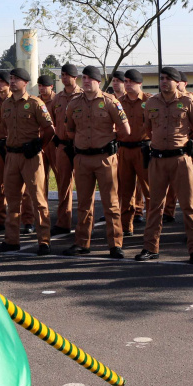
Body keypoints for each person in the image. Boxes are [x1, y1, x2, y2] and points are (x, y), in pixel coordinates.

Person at [136, 68, 193, 263]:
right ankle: (150, 248)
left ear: (176, 82)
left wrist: (184, 144)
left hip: (180, 160)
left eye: (168, 79)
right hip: (157, 159)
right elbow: (147, 129)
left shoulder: (188, 101)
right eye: (162, 78)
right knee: (155, 206)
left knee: (188, 206)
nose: (163, 81)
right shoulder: (151, 103)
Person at [63, 66, 130, 258]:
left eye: (90, 78)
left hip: (105, 159)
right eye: (83, 78)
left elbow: (126, 130)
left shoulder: (110, 102)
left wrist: (108, 140)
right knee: (84, 204)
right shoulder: (74, 103)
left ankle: (115, 245)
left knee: (111, 203)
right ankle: (82, 243)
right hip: (82, 158)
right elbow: (70, 131)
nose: (85, 81)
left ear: (98, 82)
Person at [0, 69, 55, 255]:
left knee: (38, 200)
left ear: (25, 83)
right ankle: (11, 240)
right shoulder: (6, 104)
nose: (12, 82)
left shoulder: (35, 103)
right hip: (12, 156)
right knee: (12, 200)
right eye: (11, 79)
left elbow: (50, 129)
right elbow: (3, 130)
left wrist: (39, 146)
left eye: (16, 79)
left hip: (31, 157)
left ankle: (44, 241)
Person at [0, 71, 35, 233]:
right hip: (0, 147)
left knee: (25, 188)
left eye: (2, 81)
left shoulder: (20, 101)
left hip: (17, 148)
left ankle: (28, 220)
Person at [117, 69, 151, 235]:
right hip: (124, 149)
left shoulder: (150, 101)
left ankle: (152, 227)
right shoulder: (118, 102)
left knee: (149, 191)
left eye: (131, 82)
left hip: (143, 149)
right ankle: (125, 226)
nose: (128, 85)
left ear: (140, 84)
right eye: (126, 81)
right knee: (125, 191)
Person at [51, 64, 83, 236]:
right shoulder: (58, 98)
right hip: (63, 146)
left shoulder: (83, 96)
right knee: (63, 185)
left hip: (80, 148)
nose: (63, 78)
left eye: (67, 75)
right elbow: (50, 120)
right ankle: (63, 222)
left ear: (74, 77)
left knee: (84, 187)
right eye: (62, 75)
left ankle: (84, 225)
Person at [162, 72, 193, 222]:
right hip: (166, 151)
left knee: (188, 189)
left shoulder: (190, 99)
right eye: (162, 78)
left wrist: (189, 141)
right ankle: (169, 211)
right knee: (167, 188)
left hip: (186, 148)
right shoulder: (159, 101)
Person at [37, 75, 57, 193]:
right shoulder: (36, 101)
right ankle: (43, 209)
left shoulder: (57, 100)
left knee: (60, 176)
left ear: (51, 86)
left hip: (54, 143)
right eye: (40, 86)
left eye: (44, 86)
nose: (42, 88)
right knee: (40, 177)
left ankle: (64, 210)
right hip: (40, 142)